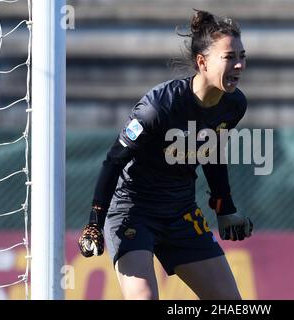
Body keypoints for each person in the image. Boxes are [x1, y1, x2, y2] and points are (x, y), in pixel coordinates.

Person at [78, 9, 253, 300]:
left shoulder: (234, 105)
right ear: (202, 62)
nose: (238, 65)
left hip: (180, 211)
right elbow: (114, 160)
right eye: (229, 57)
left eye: (242, 56)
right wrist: (94, 223)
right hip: (133, 212)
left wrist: (225, 209)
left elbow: (212, 152)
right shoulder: (158, 107)